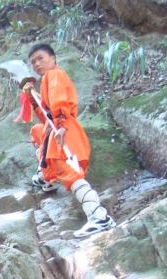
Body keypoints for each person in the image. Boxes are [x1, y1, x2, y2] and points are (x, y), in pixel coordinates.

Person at [23, 43, 116, 237]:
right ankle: (46, 177)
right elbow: (46, 118)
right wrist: (32, 99)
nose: (37, 64)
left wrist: (62, 124)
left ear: (53, 59)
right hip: (56, 131)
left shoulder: (54, 75)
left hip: (64, 132)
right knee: (38, 131)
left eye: (41, 58)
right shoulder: (47, 80)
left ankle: (100, 217)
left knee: (72, 175)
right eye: (33, 62)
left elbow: (58, 103)